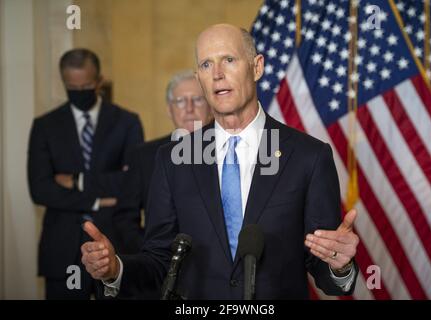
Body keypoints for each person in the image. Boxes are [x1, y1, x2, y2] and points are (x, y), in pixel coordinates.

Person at [81, 24, 360, 299]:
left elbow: (325, 271)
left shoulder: (309, 156)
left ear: (257, 67)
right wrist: (115, 268)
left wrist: (340, 266)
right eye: (206, 64)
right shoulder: (172, 160)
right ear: (199, 78)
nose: (217, 74)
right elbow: (159, 261)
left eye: (228, 59)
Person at [27, 48, 144, 299]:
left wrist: (77, 181)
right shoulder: (45, 126)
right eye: (73, 88)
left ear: (99, 81)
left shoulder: (127, 122)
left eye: (86, 86)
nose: (80, 93)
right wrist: (96, 200)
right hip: (62, 248)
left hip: (117, 246)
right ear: (64, 83)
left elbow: (134, 180)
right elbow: (41, 189)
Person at [114, 70, 213, 272]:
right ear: (169, 109)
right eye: (180, 101)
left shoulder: (231, 150)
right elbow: (124, 218)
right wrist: (152, 257)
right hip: (160, 273)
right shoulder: (144, 156)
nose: (189, 108)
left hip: (215, 271)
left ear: (211, 106)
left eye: (197, 100)